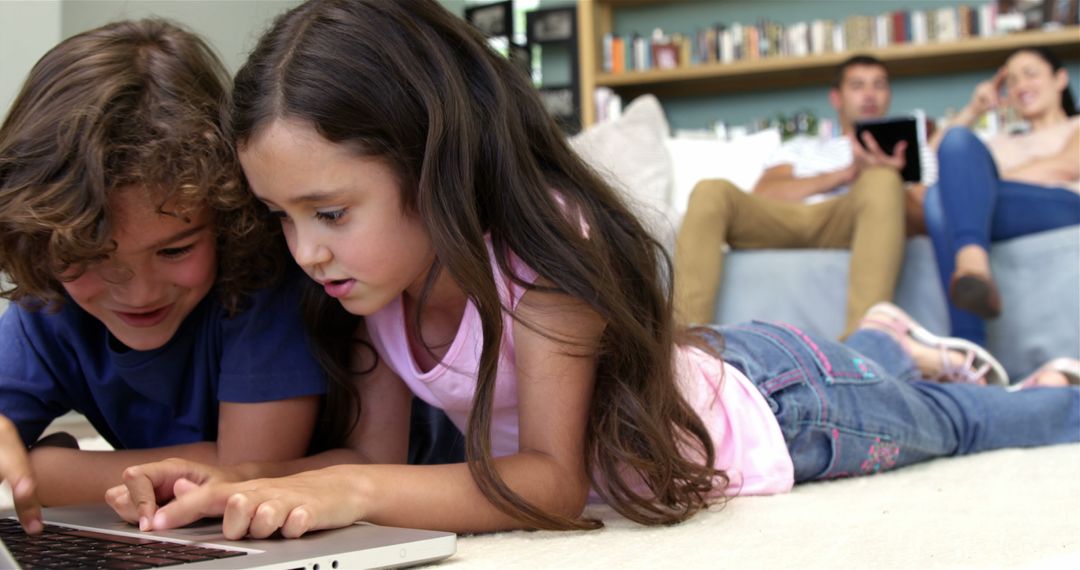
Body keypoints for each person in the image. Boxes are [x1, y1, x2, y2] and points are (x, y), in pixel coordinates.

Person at [105, 0, 1079, 539]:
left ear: (431, 163)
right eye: (282, 218)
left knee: (981, 426)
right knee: (888, 370)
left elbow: (553, 482)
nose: (305, 251)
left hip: (782, 407)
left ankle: (924, 360)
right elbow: (374, 461)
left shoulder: (539, 253)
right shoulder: (371, 282)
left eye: (329, 212)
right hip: (706, 366)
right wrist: (245, 479)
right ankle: (887, 337)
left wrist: (351, 496)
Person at [0, 19, 334, 535]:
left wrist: (46, 471)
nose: (138, 291)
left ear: (227, 217)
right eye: (89, 256)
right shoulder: (49, 302)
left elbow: (237, 474)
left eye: (175, 249)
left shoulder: (263, 282)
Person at [674, 55, 913, 337]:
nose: (870, 94)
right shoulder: (804, 146)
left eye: (879, 85)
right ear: (837, 98)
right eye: (858, 86)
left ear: (889, 95)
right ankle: (685, 345)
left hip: (851, 222)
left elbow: (924, 217)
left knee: (882, 180)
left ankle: (864, 346)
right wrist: (845, 174)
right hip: (787, 219)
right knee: (709, 190)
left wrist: (893, 177)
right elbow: (765, 193)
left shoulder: (907, 154)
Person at [923, 46, 1080, 346]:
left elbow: (1065, 168)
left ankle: (969, 343)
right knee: (943, 179)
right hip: (1004, 210)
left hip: (1066, 205)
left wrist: (976, 185)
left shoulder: (1076, 126)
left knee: (949, 195)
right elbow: (935, 158)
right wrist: (973, 110)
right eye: (1012, 81)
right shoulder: (1000, 141)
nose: (1021, 86)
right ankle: (973, 269)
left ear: (1060, 79)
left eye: (1030, 74)